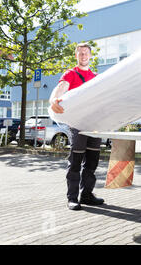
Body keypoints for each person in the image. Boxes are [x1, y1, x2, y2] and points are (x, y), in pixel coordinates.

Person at [50, 43, 104, 210]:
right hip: (78, 125)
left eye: (86, 53)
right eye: (80, 53)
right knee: (76, 162)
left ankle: (86, 195)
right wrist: (53, 100)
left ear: (90, 55)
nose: (83, 56)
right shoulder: (71, 74)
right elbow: (60, 89)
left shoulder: (96, 76)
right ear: (76, 56)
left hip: (94, 124)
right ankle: (72, 198)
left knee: (92, 162)